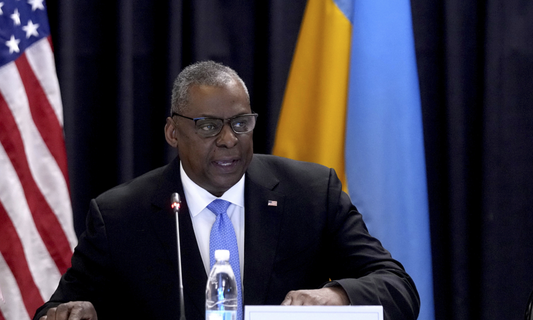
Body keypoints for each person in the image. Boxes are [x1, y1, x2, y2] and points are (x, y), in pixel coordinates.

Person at [34, 61, 420, 320]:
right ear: (173, 132)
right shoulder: (120, 216)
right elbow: (55, 310)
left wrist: (337, 297)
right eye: (207, 126)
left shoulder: (311, 193)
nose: (228, 140)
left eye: (240, 124)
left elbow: (398, 288)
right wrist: (73, 312)